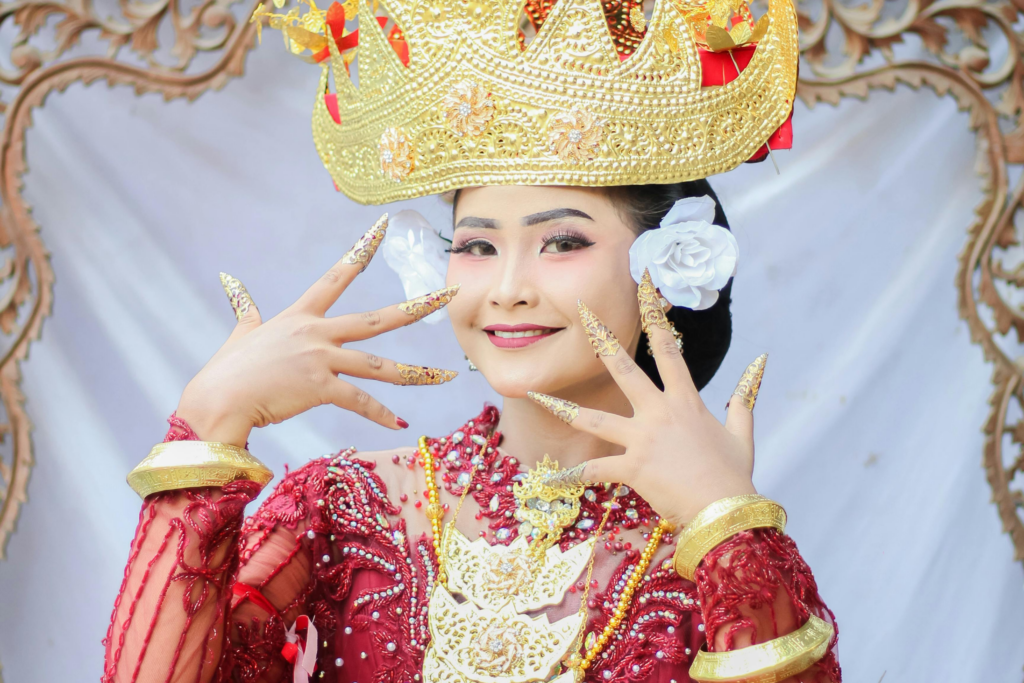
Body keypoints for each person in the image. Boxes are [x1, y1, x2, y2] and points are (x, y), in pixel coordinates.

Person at [102, 1, 839, 682]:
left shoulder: (712, 548)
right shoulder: (347, 510)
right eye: (478, 246)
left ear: (667, 263)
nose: (506, 288)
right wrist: (209, 422)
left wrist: (724, 524)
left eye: (562, 242)